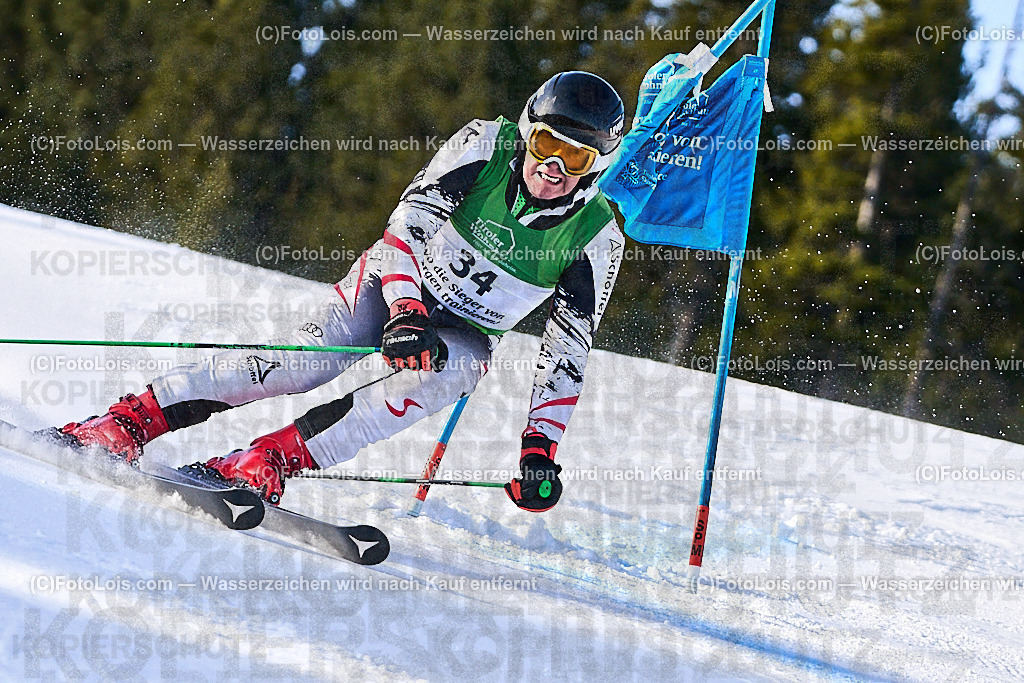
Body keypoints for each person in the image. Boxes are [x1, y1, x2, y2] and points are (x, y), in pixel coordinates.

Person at [53, 71, 626, 513]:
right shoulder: (483, 146)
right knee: (302, 363)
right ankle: (131, 420)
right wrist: (406, 309)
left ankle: (266, 460)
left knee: (449, 374)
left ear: (596, 166)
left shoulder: (596, 238)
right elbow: (407, 228)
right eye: (546, 144)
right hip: (397, 283)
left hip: (465, 332)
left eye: (575, 157)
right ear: (526, 132)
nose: (554, 167)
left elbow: (566, 353)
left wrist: (539, 451)